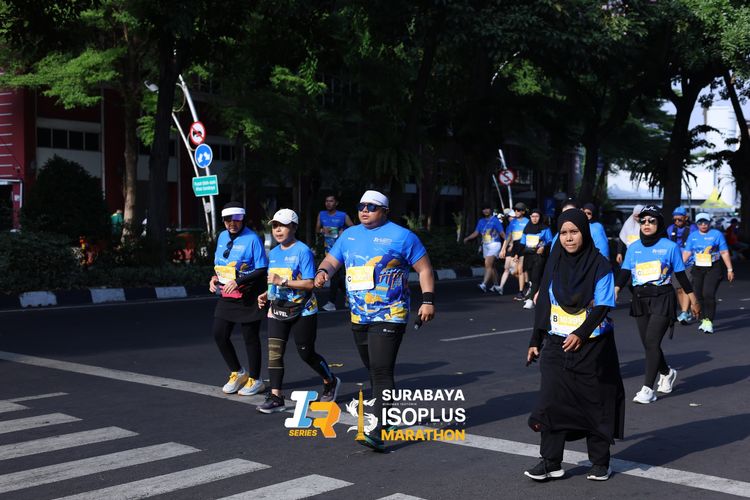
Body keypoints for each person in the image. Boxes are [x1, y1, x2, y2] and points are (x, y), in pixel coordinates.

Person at [314, 190, 435, 452]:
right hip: (359, 314)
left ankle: (377, 430)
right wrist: (323, 272)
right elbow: (332, 260)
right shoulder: (349, 235)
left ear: (384, 210)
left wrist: (427, 300)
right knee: (373, 369)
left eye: (371, 207)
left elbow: (424, 268)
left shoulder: (402, 236)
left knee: (380, 370)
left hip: (391, 313)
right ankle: (387, 417)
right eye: (361, 206)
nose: (365, 211)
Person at [525, 209, 624, 482]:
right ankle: (551, 461)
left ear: (584, 233)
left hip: (593, 346)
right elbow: (544, 305)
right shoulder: (554, 263)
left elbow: (603, 305)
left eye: (574, 232)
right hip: (557, 343)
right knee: (551, 399)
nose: (569, 238)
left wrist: (581, 333)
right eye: (564, 233)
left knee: (594, 402)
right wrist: (535, 339)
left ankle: (600, 462)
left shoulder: (600, 265)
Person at [256, 209, 339, 413]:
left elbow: (310, 284)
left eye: (283, 226)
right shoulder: (274, 253)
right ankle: (276, 397)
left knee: (306, 353)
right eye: (275, 226)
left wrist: (282, 281)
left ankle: (330, 380)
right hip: (278, 308)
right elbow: (274, 281)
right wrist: (266, 294)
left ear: (293, 227)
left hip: (303, 310)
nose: (278, 230)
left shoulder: (303, 251)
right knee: (274, 353)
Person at [615, 205, 700, 404]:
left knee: (652, 342)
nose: (646, 224)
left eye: (651, 221)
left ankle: (647, 389)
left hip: (662, 297)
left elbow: (681, 275)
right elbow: (625, 272)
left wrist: (694, 300)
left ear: (659, 224)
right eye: (643, 221)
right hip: (640, 299)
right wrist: (616, 290)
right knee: (648, 344)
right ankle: (667, 372)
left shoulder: (669, 247)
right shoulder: (633, 247)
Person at [209, 201, 268, 396]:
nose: (232, 223)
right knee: (219, 333)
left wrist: (239, 280)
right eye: (228, 220)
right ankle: (238, 372)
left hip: (250, 294)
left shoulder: (253, 239)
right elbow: (220, 265)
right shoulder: (222, 236)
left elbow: (261, 269)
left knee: (250, 337)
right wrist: (214, 278)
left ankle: (255, 379)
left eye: (236, 219)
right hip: (228, 293)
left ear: (242, 219)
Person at [683, 212, 735, 334]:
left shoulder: (716, 234)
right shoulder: (693, 236)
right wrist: (678, 267)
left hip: (713, 268)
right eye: (700, 223)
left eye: (705, 222)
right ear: (696, 224)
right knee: (698, 294)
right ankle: (704, 319)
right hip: (698, 268)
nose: (703, 225)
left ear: (709, 222)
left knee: (708, 293)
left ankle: (709, 320)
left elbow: (724, 252)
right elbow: (687, 252)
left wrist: (730, 269)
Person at [316, 194, 354, 311]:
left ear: (336, 203)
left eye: (331, 201)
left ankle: (331, 302)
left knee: (334, 276)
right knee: (336, 276)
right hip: (328, 250)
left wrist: (344, 231)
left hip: (341, 250)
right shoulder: (321, 214)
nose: (328, 203)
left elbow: (353, 229)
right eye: (327, 201)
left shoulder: (343, 215)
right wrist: (322, 230)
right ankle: (349, 297)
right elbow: (317, 229)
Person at [666, 207, 699, 324]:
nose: (677, 221)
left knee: (686, 285)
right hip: (675, 262)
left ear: (686, 218)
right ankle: (686, 311)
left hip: (689, 261)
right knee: (678, 288)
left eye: (679, 219)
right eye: (675, 219)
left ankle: (684, 312)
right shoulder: (670, 229)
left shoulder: (693, 229)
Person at [463, 204, 505, 293]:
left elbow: (502, 233)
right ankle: (496, 285)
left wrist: (509, 243)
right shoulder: (481, 221)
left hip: (495, 244)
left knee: (488, 263)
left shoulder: (495, 220)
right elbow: (476, 233)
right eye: (484, 209)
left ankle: (484, 284)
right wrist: (467, 238)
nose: (486, 210)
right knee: (492, 266)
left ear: (490, 210)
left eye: (487, 208)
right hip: (485, 245)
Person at [520, 209, 552, 310]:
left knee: (535, 277)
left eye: (536, 216)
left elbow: (550, 242)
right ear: (530, 217)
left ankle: (530, 300)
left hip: (539, 256)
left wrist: (543, 247)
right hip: (528, 256)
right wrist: (517, 254)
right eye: (532, 216)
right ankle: (536, 295)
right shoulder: (527, 228)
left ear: (540, 217)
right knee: (531, 278)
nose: (534, 218)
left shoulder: (545, 228)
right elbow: (522, 242)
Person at [501, 202, 530, 300]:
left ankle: (521, 292)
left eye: (519, 210)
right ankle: (527, 284)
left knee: (521, 270)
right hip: (515, 248)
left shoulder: (527, 221)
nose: (516, 212)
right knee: (514, 272)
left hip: (524, 248)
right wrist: (503, 249)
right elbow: (509, 236)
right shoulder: (512, 222)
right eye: (515, 210)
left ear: (523, 212)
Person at [497, 209, 517, 295]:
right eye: (510, 217)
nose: (511, 218)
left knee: (515, 271)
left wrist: (513, 245)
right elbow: (507, 238)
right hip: (509, 248)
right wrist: (503, 249)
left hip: (517, 248)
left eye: (513, 217)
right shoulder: (509, 226)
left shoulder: (518, 225)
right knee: (506, 268)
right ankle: (501, 287)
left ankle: (527, 283)